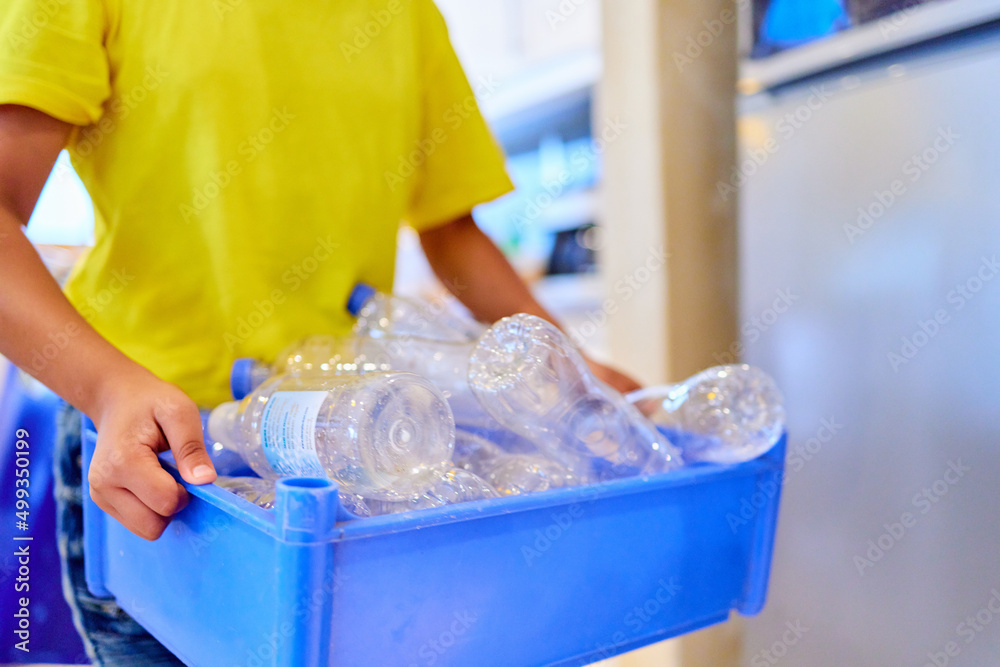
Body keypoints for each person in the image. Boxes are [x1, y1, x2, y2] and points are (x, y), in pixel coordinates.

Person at [0, 0, 639, 662]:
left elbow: (452, 231)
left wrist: (572, 374)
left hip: (352, 457)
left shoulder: (407, 16)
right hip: (164, 464)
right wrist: (108, 389)